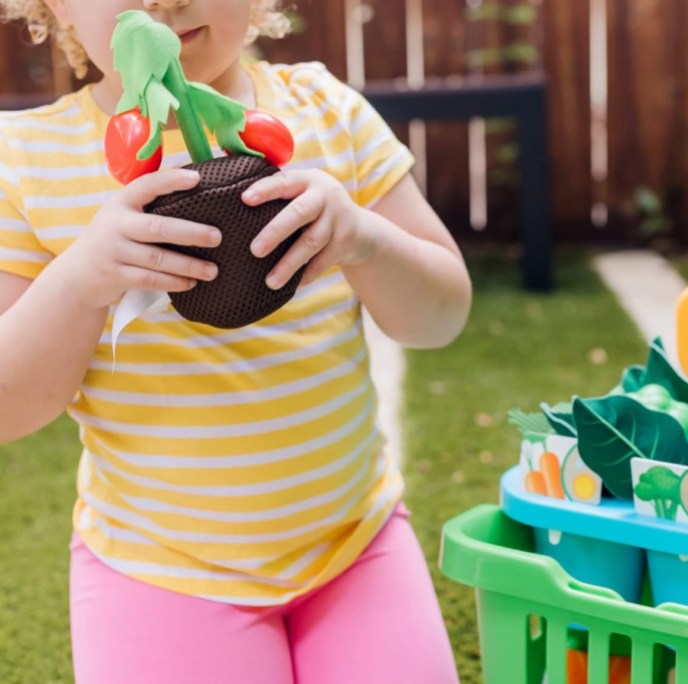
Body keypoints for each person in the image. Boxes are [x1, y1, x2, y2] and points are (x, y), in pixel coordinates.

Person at [0, 1, 471, 682]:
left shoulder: (325, 109)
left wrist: (364, 240)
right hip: (160, 572)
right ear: (53, 6)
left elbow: (442, 317)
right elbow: (11, 408)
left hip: (355, 549)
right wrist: (80, 279)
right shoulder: (27, 162)